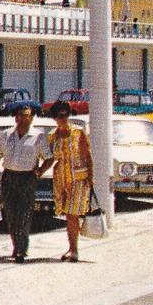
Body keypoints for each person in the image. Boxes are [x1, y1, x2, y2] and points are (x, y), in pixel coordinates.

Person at [0, 105, 52, 263]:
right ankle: (16, 245)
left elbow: (49, 157)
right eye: (20, 115)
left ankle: (21, 248)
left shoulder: (38, 137)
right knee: (10, 212)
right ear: (16, 118)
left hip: (27, 178)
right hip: (9, 176)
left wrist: (40, 171)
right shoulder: (6, 135)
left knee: (24, 214)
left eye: (26, 116)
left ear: (31, 119)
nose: (23, 119)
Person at [45, 101, 93, 262]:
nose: (64, 118)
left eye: (66, 115)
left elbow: (88, 156)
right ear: (55, 118)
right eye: (60, 116)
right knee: (67, 214)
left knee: (73, 214)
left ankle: (74, 250)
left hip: (78, 178)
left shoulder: (78, 133)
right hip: (61, 179)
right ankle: (71, 247)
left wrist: (91, 179)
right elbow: (49, 158)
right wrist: (37, 172)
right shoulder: (52, 136)